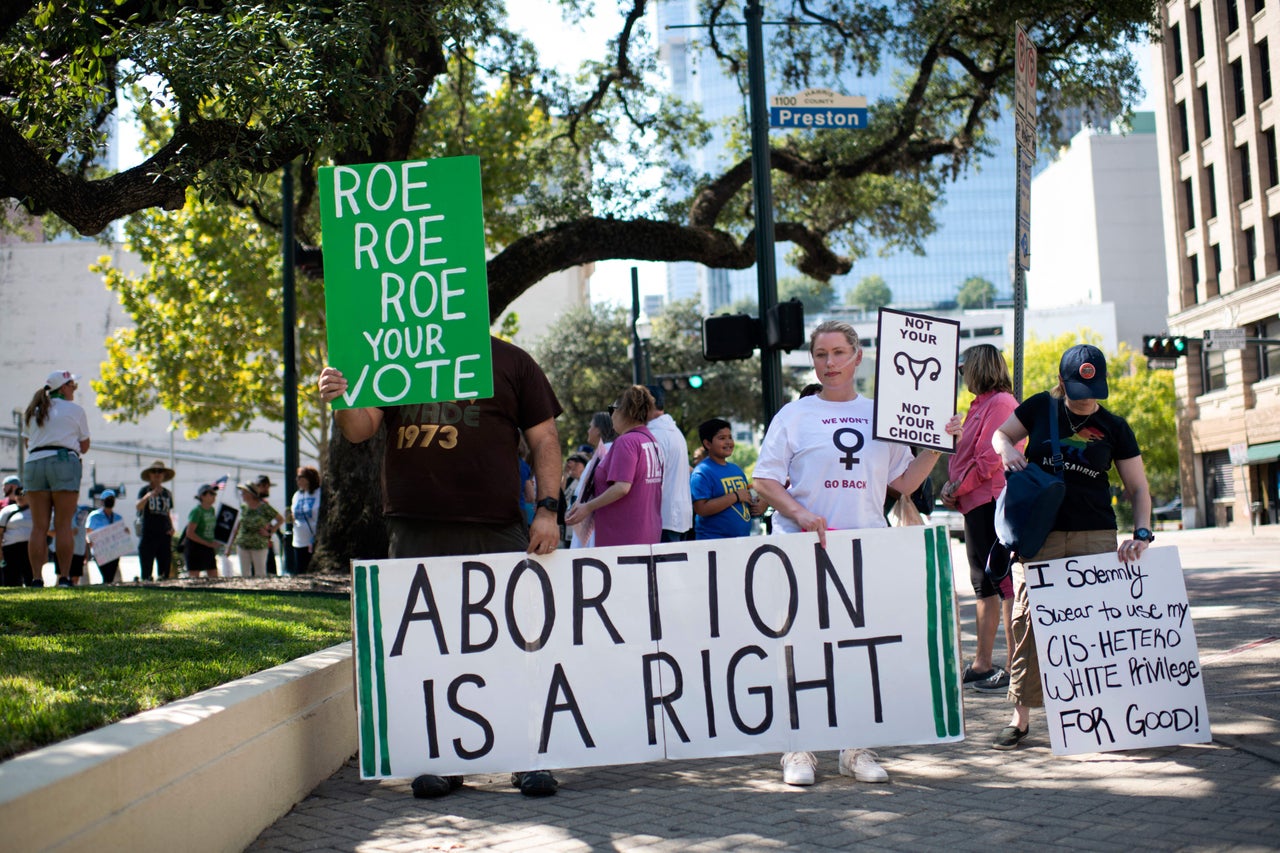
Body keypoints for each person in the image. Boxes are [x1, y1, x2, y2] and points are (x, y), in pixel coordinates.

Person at [318, 335, 565, 798]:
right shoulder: (395, 355)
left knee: (513, 644)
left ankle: (528, 757)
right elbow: (360, 428)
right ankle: (440, 759)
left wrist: (549, 509)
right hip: (414, 528)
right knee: (428, 650)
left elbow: (544, 438)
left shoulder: (511, 361)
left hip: (495, 527)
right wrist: (342, 396)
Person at [752, 320, 961, 786]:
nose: (829, 363)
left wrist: (937, 444)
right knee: (799, 648)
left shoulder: (881, 415)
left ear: (858, 357)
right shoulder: (794, 415)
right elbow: (764, 480)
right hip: (801, 550)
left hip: (863, 550)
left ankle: (855, 747)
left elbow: (904, 483)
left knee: (856, 650)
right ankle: (798, 749)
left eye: (839, 353)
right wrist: (799, 513)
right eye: (821, 355)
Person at [990, 343, 1153, 750]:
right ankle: (1021, 718)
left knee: (1094, 628)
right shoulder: (1040, 407)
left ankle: (1098, 717)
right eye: (1080, 393)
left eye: (1095, 391)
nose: (1088, 401)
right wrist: (1008, 449)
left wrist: (1143, 533)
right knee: (1028, 624)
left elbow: (1138, 488)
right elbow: (1000, 434)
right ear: (1062, 383)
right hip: (1038, 535)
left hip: (1094, 533)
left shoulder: (1115, 426)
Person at [940, 344, 1019, 694]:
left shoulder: (1001, 403)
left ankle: (1017, 664)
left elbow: (989, 461)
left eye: (963, 368)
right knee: (983, 583)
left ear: (979, 368)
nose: (961, 375)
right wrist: (952, 484)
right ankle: (983, 663)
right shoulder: (979, 406)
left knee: (1000, 583)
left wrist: (958, 486)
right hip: (974, 502)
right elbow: (967, 456)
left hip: (991, 500)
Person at [565, 385, 663, 547]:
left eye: (613, 410)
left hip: (623, 536)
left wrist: (587, 507)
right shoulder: (650, 439)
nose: (611, 416)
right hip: (647, 532)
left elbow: (622, 487)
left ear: (624, 411)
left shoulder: (626, 442)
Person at [23, 370, 92, 587]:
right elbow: (85, 446)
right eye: (73, 386)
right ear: (63, 387)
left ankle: (35, 578)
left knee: (38, 526)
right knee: (63, 524)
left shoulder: (33, 410)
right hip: (63, 462)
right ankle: (63, 578)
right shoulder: (76, 410)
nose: (74, 390)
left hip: (34, 463)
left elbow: (28, 443)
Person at [690, 418, 764, 539]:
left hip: (743, 540)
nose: (728, 442)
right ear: (707, 444)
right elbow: (701, 509)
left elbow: (746, 496)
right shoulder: (702, 472)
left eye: (730, 437)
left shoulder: (736, 470)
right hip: (714, 542)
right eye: (722, 438)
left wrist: (755, 500)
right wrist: (736, 496)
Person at [647, 386, 693, 541]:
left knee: (665, 566)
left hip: (664, 518)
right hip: (676, 516)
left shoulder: (656, 434)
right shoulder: (672, 430)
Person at [570, 411, 617, 549]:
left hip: (596, 524)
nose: (588, 430)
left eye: (591, 426)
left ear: (598, 430)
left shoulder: (605, 455)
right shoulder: (601, 455)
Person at [232, 482, 283, 577]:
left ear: (251, 493)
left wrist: (269, 532)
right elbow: (239, 525)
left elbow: (280, 519)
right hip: (243, 544)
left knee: (260, 574)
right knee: (245, 574)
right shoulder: (244, 507)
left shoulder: (264, 507)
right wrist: (232, 542)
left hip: (259, 545)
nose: (242, 495)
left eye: (244, 492)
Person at [135, 460, 176, 580]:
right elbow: (138, 506)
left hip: (164, 534)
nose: (157, 474)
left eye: (160, 471)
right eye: (154, 471)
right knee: (146, 570)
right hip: (148, 533)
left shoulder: (167, 493)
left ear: (164, 475)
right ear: (149, 475)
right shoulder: (144, 491)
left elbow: (168, 512)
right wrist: (149, 495)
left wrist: (172, 527)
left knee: (164, 571)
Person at [86, 489, 127, 584]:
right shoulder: (94, 516)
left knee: (110, 576)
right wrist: (89, 542)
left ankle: (108, 588)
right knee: (106, 574)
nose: (110, 501)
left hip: (114, 551)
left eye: (111, 499)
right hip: (99, 550)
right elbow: (88, 532)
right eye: (108, 499)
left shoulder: (118, 517)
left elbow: (122, 532)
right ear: (102, 501)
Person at [184, 484, 222, 579]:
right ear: (202, 496)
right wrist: (207, 543)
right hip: (195, 547)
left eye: (214, 494)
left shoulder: (212, 510)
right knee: (194, 578)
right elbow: (190, 533)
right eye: (211, 494)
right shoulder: (197, 511)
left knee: (213, 576)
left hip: (208, 547)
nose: (214, 496)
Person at [0, 488, 36, 586]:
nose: (20, 497)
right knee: (11, 576)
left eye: (23, 494)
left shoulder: (35, 511)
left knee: (30, 573)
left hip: (30, 547)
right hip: (10, 548)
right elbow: (0, 532)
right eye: (18, 494)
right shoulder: (7, 510)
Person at [289, 466, 322, 575]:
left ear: (309, 478)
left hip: (314, 539)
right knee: (300, 572)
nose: (297, 480)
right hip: (299, 540)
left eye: (300, 477)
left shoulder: (319, 493)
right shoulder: (297, 495)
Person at [254, 475, 283, 575]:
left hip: (266, 543)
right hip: (256, 544)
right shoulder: (254, 504)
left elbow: (277, 520)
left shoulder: (264, 504)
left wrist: (270, 532)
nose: (267, 489)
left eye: (267, 486)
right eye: (264, 486)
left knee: (270, 573)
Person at [65, 501, 93, 585]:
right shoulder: (60, 512)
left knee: (76, 576)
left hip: (78, 549)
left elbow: (83, 533)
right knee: (63, 574)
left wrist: (85, 551)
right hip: (65, 549)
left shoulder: (81, 513)